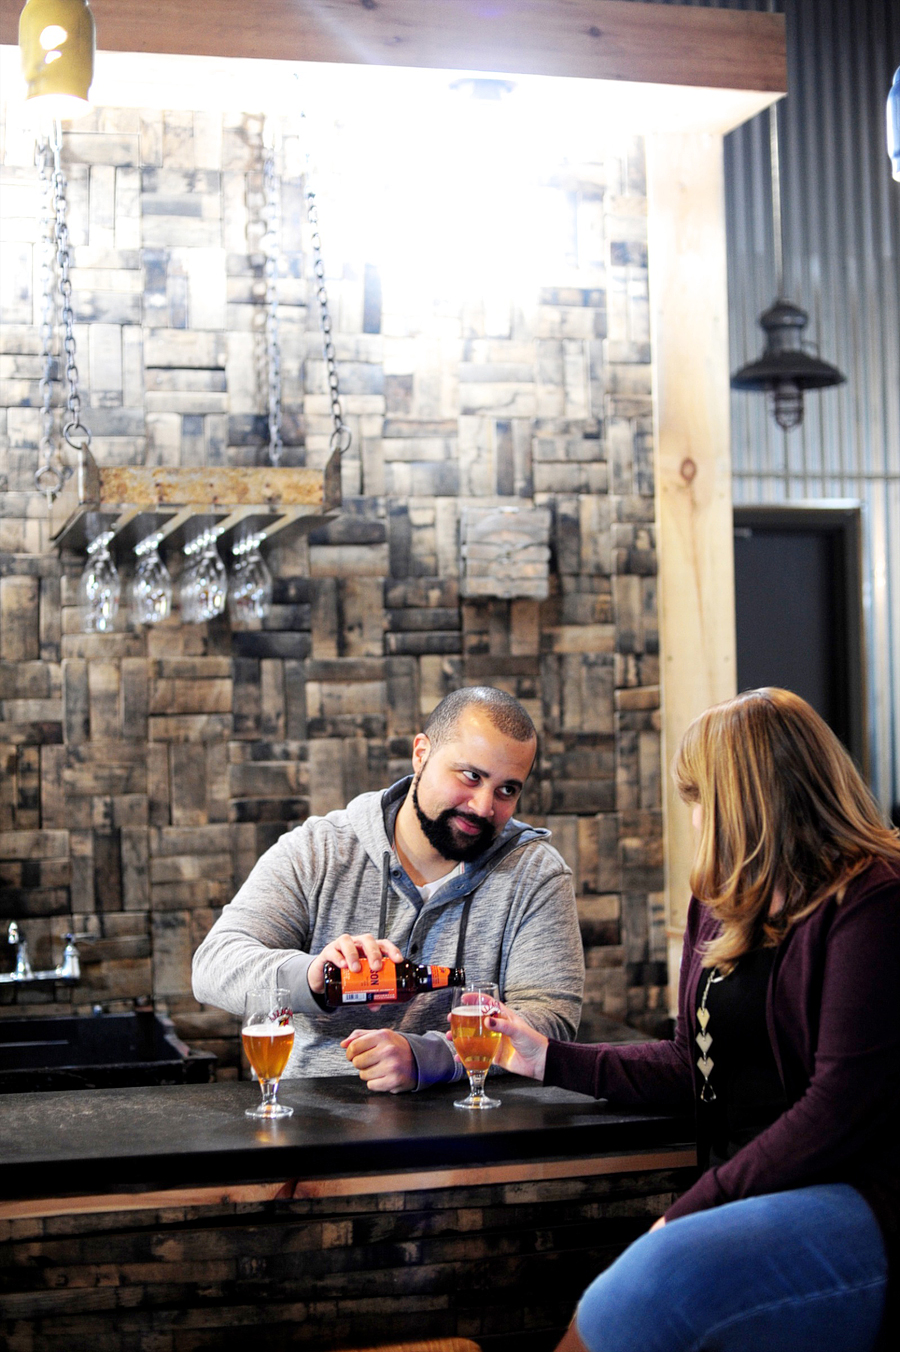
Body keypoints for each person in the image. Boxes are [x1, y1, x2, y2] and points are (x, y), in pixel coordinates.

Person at [488, 688, 899, 1352]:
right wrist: (547, 1059)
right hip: (753, 1187)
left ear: (748, 800)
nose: (695, 817)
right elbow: (691, 1061)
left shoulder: (874, 902)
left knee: (644, 1294)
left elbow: (838, 1110)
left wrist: (692, 1210)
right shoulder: (719, 898)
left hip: (862, 1197)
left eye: (698, 797)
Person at [192, 685, 584, 1092]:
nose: (484, 806)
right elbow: (212, 967)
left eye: (507, 790)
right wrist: (313, 976)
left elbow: (550, 1020)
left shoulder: (535, 873)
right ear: (421, 754)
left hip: (469, 1129)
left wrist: (429, 1058)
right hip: (311, 1124)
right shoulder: (320, 849)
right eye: (471, 776)